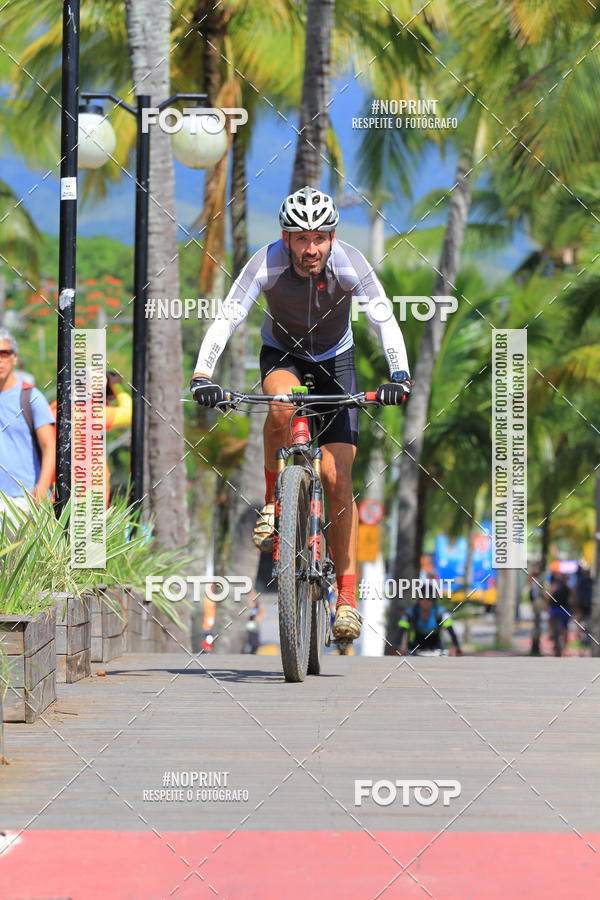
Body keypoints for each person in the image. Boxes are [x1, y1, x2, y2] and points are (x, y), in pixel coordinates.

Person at [190, 186, 411, 644]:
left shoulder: (350, 263)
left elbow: (383, 316)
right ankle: (275, 501)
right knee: (280, 404)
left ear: (332, 237)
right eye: (300, 238)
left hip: (337, 361)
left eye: (320, 238)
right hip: (283, 355)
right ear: (286, 238)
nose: (311, 249)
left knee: (337, 476)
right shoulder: (266, 263)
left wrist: (400, 374)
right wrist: (202, 375)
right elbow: (229, 315)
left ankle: (346, 600)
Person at [0, 328, 55, 513]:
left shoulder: (31, 397)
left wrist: (42, 486)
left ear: (14, 358)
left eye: (4, 353)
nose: (0, 359)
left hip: (23, 499)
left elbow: (50, 445)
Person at [398, 596, 462, 655]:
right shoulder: (411, 612)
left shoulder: (441, 612)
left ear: (433, 600)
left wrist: (457, 648)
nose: (425, 601)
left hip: (436, 645)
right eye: (421, 598)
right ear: (418, 600)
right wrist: (397, 647)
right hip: (416, 645)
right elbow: (401, 630)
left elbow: (451, 631)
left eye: (428, 599)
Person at [547, 572, 572, 656]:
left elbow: (572, 598)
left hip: (562, 610)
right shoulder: (559, 586)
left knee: (563, 628)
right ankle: (557, 644)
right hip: (557, 610)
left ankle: (563, 647)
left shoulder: (566, 588)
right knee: (558, 628)